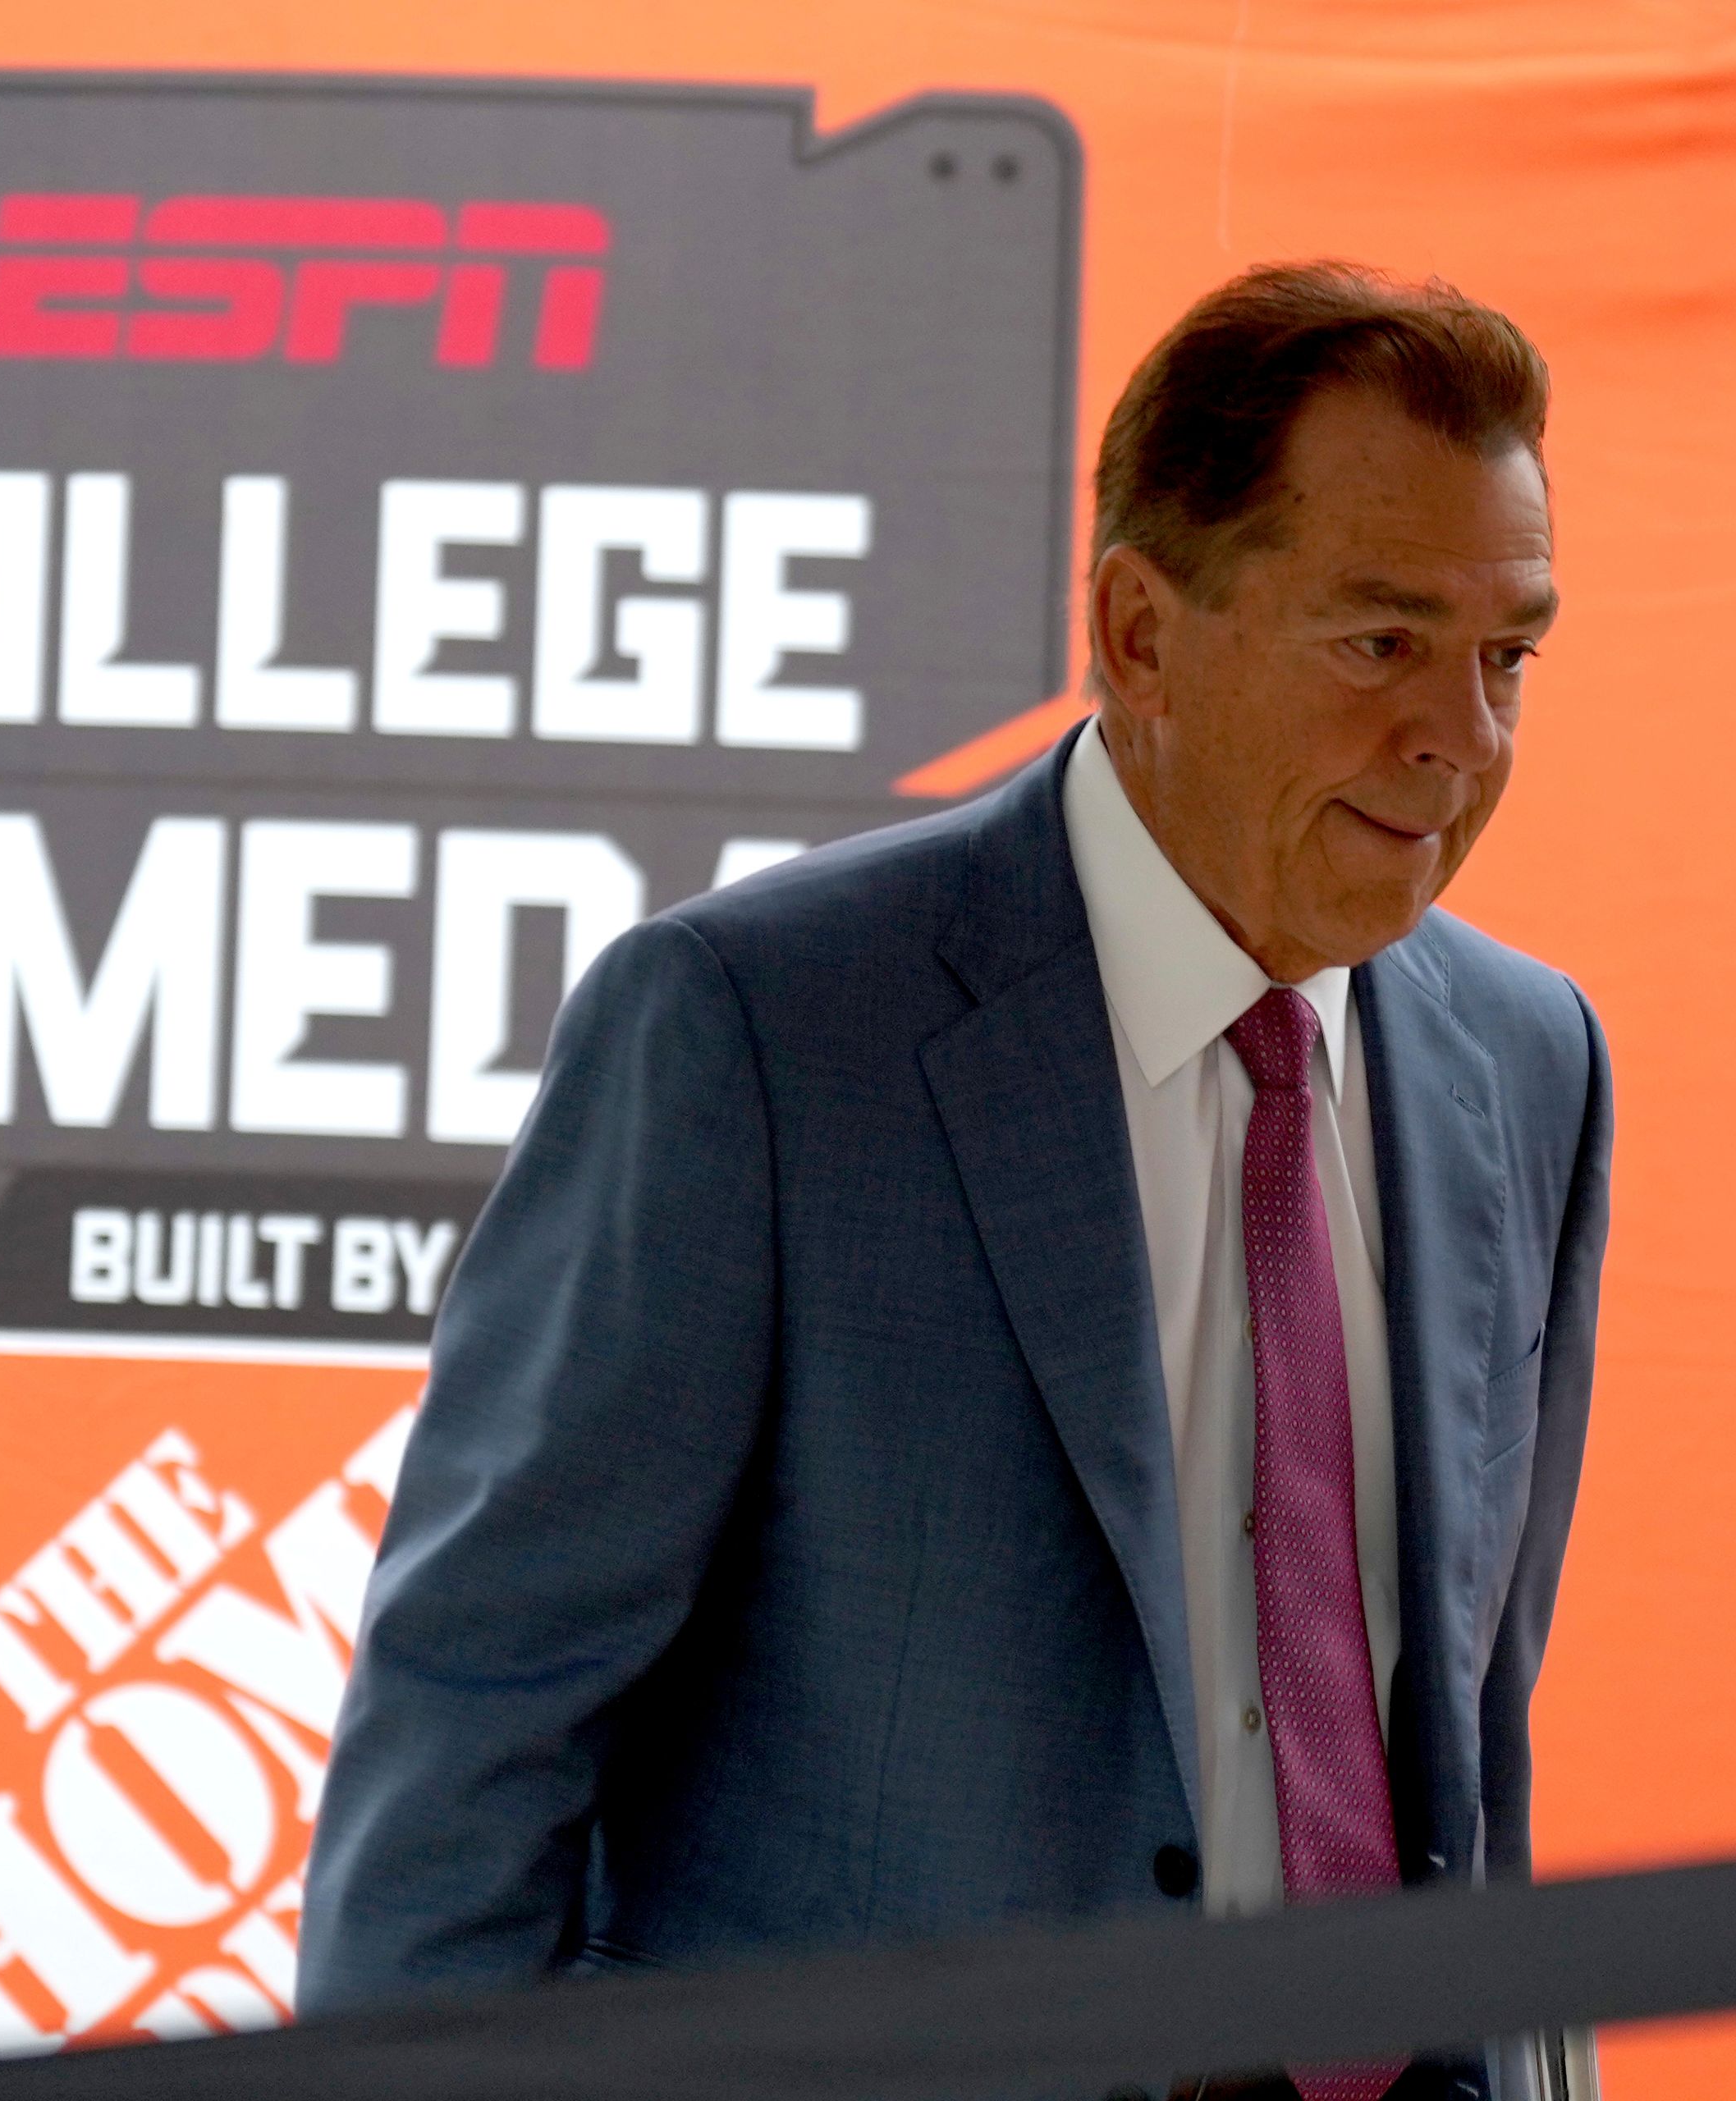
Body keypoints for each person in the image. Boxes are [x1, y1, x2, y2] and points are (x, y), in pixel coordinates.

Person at [300, 261, 1611, 2101]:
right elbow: (476, 1725)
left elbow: (1466, 1746)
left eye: (1510, 656)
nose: (1461, 742)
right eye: (1379, 642)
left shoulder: (1531, 1058)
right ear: (1141, 633)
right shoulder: (754, 1032)